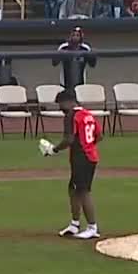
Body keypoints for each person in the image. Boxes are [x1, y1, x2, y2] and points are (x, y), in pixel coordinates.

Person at [45, 89, 101, 239]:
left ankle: (92, 227)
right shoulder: (88, 114)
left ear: (68, 101)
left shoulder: (71, 116)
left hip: (82, 158)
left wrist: (53, 150)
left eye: (61, 104)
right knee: (73, 188)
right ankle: (75, 224)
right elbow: (99, 136)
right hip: (90, 156)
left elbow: (68, 139)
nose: (60, 108)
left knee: (83, 190)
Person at [53, 27, 97, 91]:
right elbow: (54, 63)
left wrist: (92, 56)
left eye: (77, 35)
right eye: (73, 35)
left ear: (81, 37)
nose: (75, 37)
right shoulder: (63, 47)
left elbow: (92, 65)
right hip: (65, 83)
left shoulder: (85, 48)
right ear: (70, 36)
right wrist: (60, 54)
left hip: (80, 83)